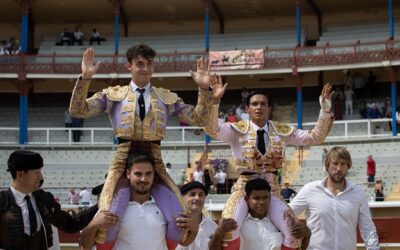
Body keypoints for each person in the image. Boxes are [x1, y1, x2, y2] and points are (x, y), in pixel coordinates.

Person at [69, 44, 214, 244]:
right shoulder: (114, 94)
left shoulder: (165, 97)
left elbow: (200, 119)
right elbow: (78, 111)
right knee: (108, 223)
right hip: (123, 161)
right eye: (140, 64)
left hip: (155, 161)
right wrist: (85, 79)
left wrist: (204, 89)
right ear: (130, 66)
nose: (145, 68)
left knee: (178, 221)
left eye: (149, 64)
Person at [204, 74, 334, 249]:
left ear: (269, 108)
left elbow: (315, 137)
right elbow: (212, 130)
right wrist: (214, 102)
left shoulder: (281, 131)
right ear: (248, 109)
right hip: (244, 189)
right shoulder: (236, 130)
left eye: (263, 104)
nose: (259, 107)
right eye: (254, 104)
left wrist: (325, 110)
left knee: (294, 234)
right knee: (229, 230)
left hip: (271, 190)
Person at [79, 152, 199, 250]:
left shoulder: (166, 208)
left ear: (154, 175)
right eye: (138, 174)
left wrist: (194, 229)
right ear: (128, 174)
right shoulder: (111, 208)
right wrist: (93, 225)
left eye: (148, 174)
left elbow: (184, 242)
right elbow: (84, 246)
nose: (143, 179)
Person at [0, 150, 97, 250]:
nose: (41, 177)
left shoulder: (44, 199)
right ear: (20, 174)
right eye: (37, 172)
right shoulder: (2, 201)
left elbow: (71, 224)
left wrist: (99, 207)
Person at [290, 146, 380, 250]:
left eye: (343, 164)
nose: (339, 168)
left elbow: (367, 228)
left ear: (348, 166)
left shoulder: (358, 194)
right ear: (327, 165)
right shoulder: (310, 190)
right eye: (335, 163)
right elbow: (286, 215)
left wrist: (374, 248)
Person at [209, 178, 311, 250]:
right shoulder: (238, 224)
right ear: (247, 200)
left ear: (270, 198)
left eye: (265, 197)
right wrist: (218, 232)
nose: (261, 202)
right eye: (256, 198)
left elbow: (299, 248)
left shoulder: (280, 224)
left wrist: (307, 236)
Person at [176, 181, 217, 250]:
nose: (197, 198)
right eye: (192, 194)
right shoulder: (174, 223)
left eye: (201, 195)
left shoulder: (213, 226)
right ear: (182, 198)